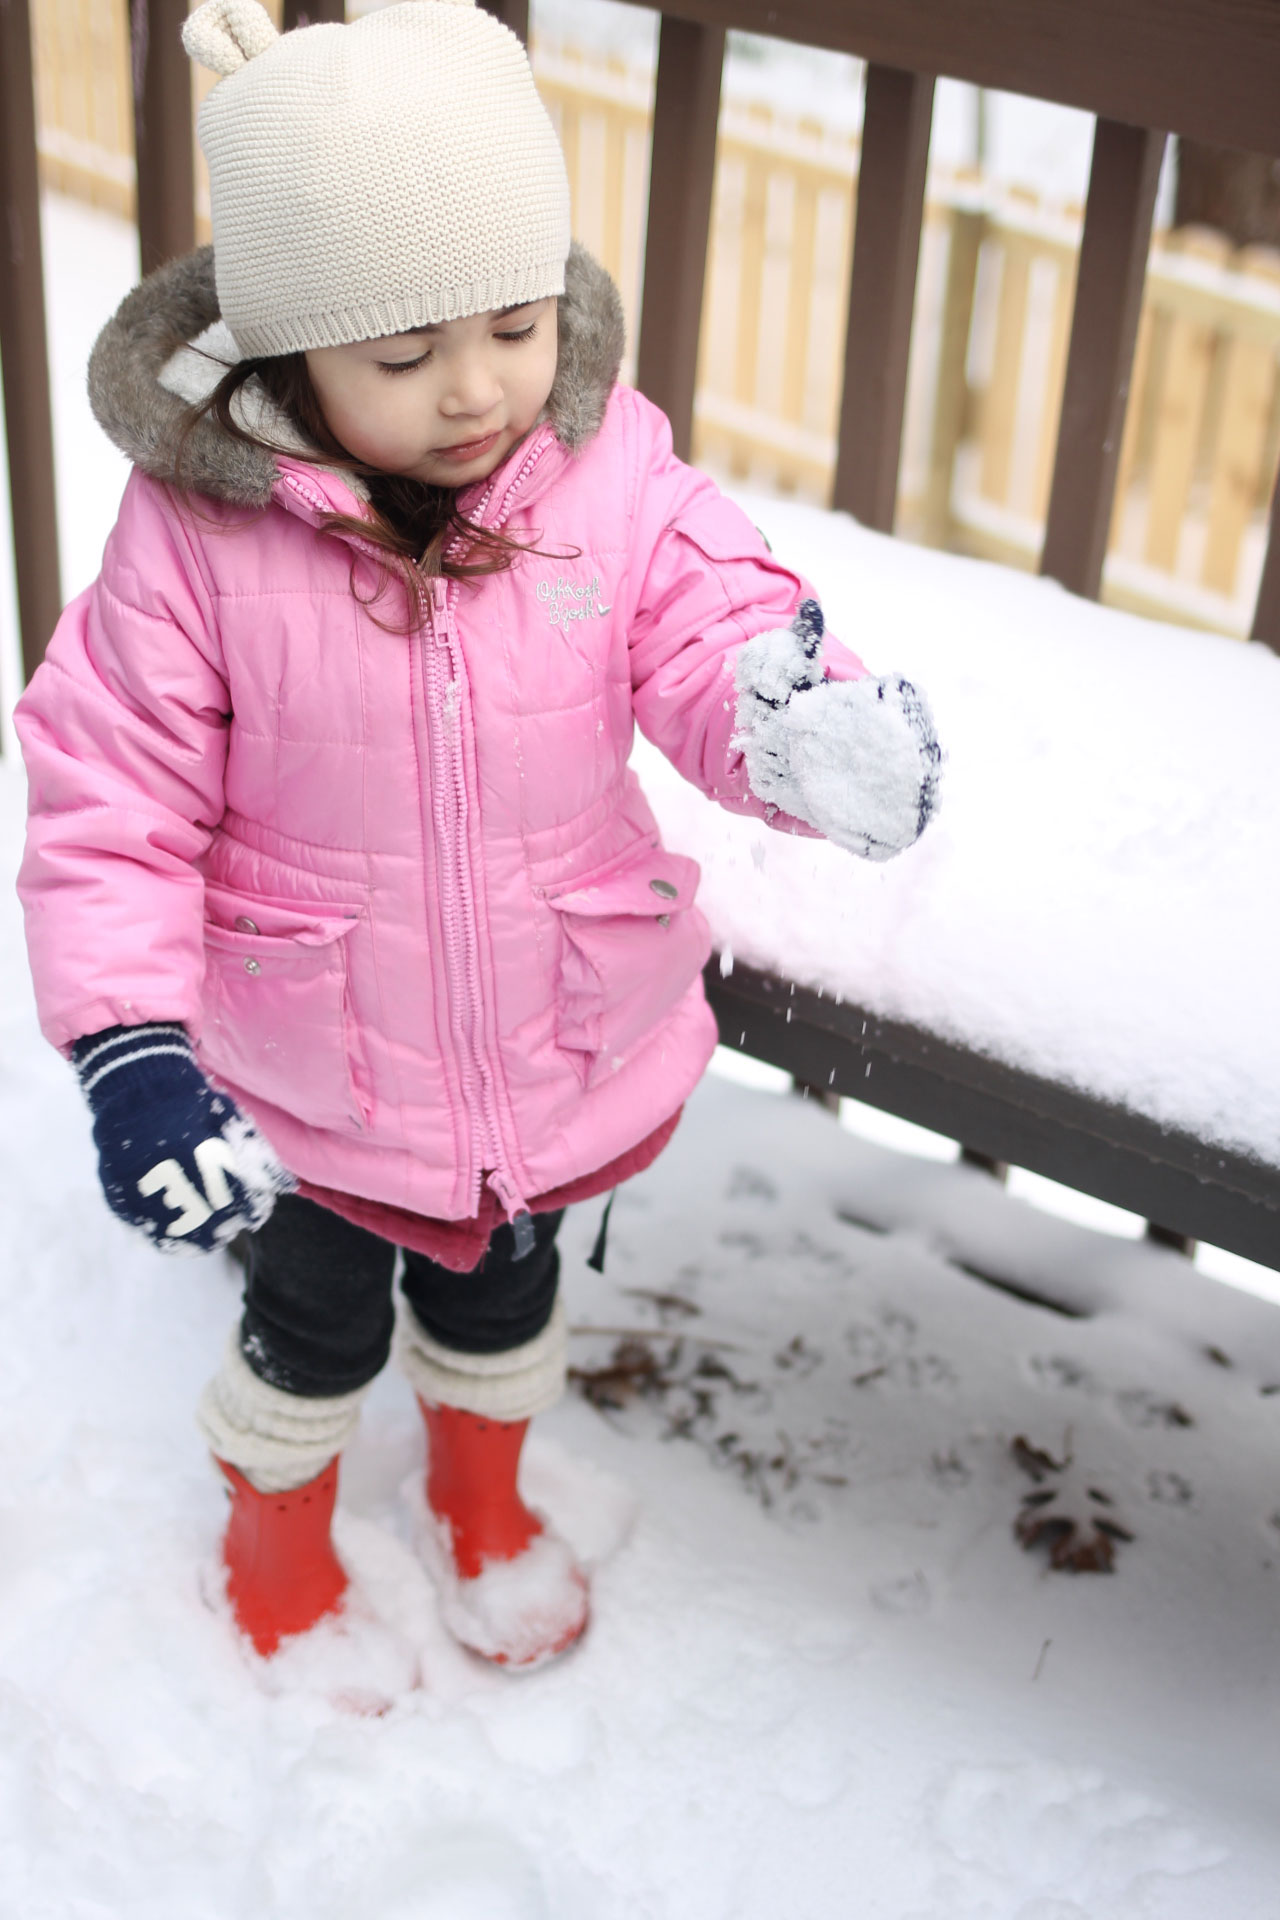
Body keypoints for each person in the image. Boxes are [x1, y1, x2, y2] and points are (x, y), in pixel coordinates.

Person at [15, 0, 941, 1671]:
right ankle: (277, 1532)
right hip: (308, 1071)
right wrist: (133, 1048)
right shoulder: (200, 541)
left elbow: (705, 616)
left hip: (549, 1036)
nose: (474, 390)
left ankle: (482, 1497)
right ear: (295, 353)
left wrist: (786, 722)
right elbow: (112, 794)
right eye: (400, 357)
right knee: (308, 1329)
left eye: (515, 326)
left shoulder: (600, 466)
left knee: (505, 1298)